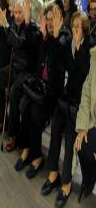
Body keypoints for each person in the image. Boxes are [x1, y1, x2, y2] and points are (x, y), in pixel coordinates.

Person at [43, 11, 93, 207]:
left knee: (71, 139)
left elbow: (85, 80)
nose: (74, 31)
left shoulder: (90, 48)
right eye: (72, 27)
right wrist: (55, 36)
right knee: (55, 131)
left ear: (86, 30)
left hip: (80, 105)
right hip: (66, 99)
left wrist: (79, 47)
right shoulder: (70, 45)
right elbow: (56, 63)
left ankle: (66, 182)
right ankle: (53, 173)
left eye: (78, 27)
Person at [15, 4, 65, 180]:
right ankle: (27, 149)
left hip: (51, 94)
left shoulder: (63, 38)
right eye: (48, 20)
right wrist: (43, 35)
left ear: (59, 20)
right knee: (24, 106)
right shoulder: (45, 38)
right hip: (39, 88)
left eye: (53, 19)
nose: (50, 23)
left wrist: (53, 36)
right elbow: (36, 57)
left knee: (35, 113)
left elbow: (58, 68)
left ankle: (37, 158)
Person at [0, 0, 39, 152]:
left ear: (27, 12)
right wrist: (2, 25)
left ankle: (14, 135)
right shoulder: (14, 25)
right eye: (16, 12)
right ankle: (1, 120)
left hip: (26, 72)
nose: (17, 16)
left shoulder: (30, 27)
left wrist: (6, 25)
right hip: (14, 67)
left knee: (13, 92)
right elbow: (7, 41)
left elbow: (18, 42)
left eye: (21, 12)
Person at [74, 45, 96, 203]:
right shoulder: (95, 56)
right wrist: (82, 128)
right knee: (82, 147)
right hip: (93, 119)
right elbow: (87, 92)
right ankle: (89, 179)